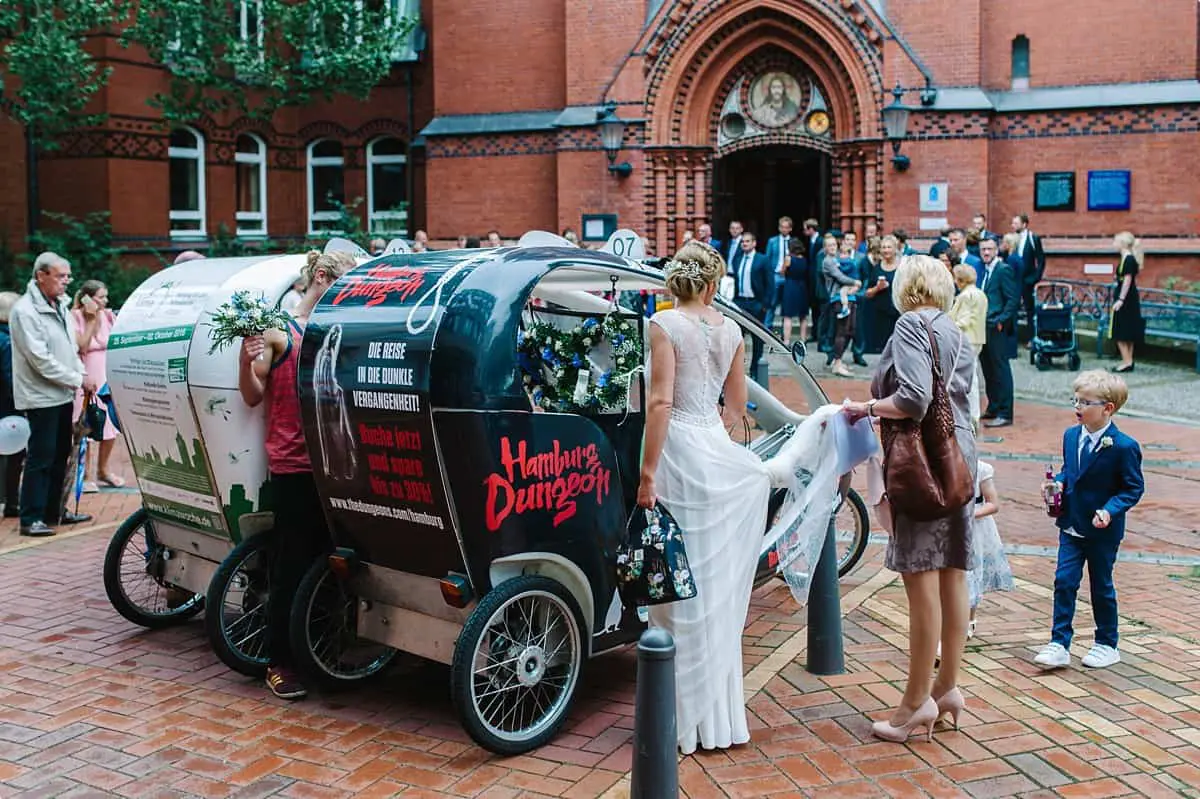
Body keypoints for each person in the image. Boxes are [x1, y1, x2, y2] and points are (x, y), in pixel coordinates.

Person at [638, 241, 842, 754]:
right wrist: (714, 440)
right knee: (713, 583)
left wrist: (646, 474)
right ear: (712, 283)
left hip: (678, 452)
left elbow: (659, 402)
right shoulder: (731, 330)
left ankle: (677, 720)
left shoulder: (662, 325)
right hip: (710, 446)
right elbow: (735, 407)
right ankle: (715, 720)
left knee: (679, 584)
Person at [843, 255, 977, 742]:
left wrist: (866, 407)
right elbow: (967, 405)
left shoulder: (910, 325)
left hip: (921, 468)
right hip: (959, 463)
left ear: (907, 287)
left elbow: (915, 399)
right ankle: (946, 690)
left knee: (921, 583)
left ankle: (914, 703)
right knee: (953, 577)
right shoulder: (957, 329)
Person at [238, 249, 356, 699]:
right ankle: (278, 661)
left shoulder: (336, 330)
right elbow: (251, 396)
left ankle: (323, 648)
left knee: (332, 562)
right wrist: (245, 363)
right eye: (341, 286)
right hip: (295, 465)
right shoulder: (277, 331)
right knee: (291, 565)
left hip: (336, 465)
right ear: (322, 277)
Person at [1035, 370, 1144, 670]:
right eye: (1076, 400)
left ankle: (1107, 643)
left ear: (1107, 408)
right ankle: (1059, 642)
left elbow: (1133, 488)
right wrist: (1056, 483)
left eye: (1085, 402)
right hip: (1071, 524)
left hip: (1102, 530)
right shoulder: (1071, 436)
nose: (1077, 407)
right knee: (1064, 581)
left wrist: (1110, 509)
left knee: (1101, 585)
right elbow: (1071, 472)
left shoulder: (1123, 446)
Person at [10, 252, 93, 537]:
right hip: (40, 395)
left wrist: (80, 373)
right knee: (40, 457)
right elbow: (40, 359)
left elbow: (69, 350)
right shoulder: (24, 311)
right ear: (40, 275)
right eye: (60, 276)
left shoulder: (60, 305)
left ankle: (53, 511)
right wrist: (77, 378)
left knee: (60, 455)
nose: (66, 281)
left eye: (67, 276)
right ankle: (30, 517)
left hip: (62, 393)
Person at [71, 280, 122, 493]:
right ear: (86, 298)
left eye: (105, 296)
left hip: (105, 375)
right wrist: (90, 320)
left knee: (109, 424)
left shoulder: (108, 315)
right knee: (87, 425)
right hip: (86, 374)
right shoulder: (75, 317)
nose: (105, 301)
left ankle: (103, 470)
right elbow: (81, 345)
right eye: (100, 297)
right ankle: (86, 474)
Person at [966, 460, 1013, 638]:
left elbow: (993, 503)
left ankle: (970, 619)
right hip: (950, 526)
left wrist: (970, 514)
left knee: (973, 571)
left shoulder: (981, 469)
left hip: (975, 527)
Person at [978, 238, 1020, 428]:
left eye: (989, 249)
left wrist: (1001, 320)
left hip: (997, 327)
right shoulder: (983, 270)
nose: (986, 252)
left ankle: (1005, 412)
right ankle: (993, 406)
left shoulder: (1003, 270)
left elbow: (1013, 299)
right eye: (983, 249)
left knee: (1000, 369)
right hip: (983, 326)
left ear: (996, 250)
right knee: (988, 368)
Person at [949, 263, 988, 432]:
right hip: (977, 339)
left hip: (965, 339)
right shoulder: (980, 294)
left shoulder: (966, 296)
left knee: (965, 378)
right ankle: (973, 414)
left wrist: (948, 324)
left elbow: (964, 320)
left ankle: (970, 415)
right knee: (972, 376)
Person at [728, 232, 772, 376]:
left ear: (754, 243)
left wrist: (765, 305)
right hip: (740, 303)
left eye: (747, 241)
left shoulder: (762, 260)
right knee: (736, 337)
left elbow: (770, 284)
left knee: (757, 339)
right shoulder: (738, 258)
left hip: (756, 303)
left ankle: (755, 371)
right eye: (742, 242)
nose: (744, 244)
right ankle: (737, 370)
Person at [822, 235, 860, 377]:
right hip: (838, 298)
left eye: (834, 245)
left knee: (850, 330)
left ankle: (838, 360)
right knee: (842, 331)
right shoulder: (828, 261)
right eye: (829, 245)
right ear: (825, 248)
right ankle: (837, 363)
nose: (832, 247)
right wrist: (856, 282)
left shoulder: (838, 259)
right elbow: (840, 277)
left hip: (849, 297)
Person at [0, 292, 24, 518]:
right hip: (7, 407)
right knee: (13, 453)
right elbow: (10, 376)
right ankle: (12, 502)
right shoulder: (8, 341)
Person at [1109, 232, 1143, 373]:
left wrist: (1121, 299)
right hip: (1129, 298)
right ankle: (1128, 360)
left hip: (1126, 299)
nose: (1114, 244)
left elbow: (1127, 281)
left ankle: (1127, 361)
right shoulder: (1127, 259)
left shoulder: (1128, 260)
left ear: (1122, 243)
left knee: (1121, 330)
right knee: (1127, 330)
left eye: (1116, 241)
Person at [863, 235, 901, 353]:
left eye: (889, 247)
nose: (886, 250)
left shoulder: (902, 267)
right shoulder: (876, 268)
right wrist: (877, 288)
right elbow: (867, 293)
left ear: (895, 249)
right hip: (879, 315)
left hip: (897, 314)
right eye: (883, 247)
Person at [1012, 214, 1046, 325]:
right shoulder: (1012, 238)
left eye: (1016, 223)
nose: (1013, 226)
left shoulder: (1033, 238)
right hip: (1014, 279)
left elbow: (1041, 259)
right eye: (1013, 223)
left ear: (1024, 224)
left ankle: (1031, 336)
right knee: (1013, 308)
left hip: (1028, 280)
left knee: (1030, 309)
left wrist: (1036, 277)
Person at [764, 216, 794, 331]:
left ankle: (783, 330)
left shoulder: (793, 242)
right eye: (782, 227)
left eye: (786, 227)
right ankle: (767, 327)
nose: (784, 229)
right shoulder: (772, 241)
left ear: (790, 229)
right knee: (772, 303)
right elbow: (767, 258)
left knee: (786, 305)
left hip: (789, 277)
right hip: (775, 275)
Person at [779, 237, 809, 346]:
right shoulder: (804, 259)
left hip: (790, 286)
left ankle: (786, 341)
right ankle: (803, 339)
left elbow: (782, 272)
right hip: (802, 287)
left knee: (788, 315)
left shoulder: (788, 258)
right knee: (803, 316)